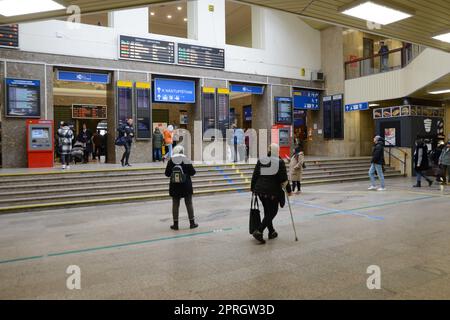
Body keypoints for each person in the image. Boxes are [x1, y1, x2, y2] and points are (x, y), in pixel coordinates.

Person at [250, 143, 293, 244]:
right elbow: (284, 179)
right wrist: (289, 191)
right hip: (272, 192)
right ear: (277, 151)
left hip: (260, 191)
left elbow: (255, 175)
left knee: (267, 211)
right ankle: (259, 231)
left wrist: (253, 188)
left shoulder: (262, 160)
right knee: (272, 212)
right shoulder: (279, 162)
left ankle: (271, 231)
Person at [164, 145, 198, 230]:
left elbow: (167, 174)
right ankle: (192, 223)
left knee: (175, 204)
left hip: (174, 186)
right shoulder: (186, 160)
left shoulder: (171, 160)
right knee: (189, 203)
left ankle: (175, 225)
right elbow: (193, 172)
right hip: (186, 185)